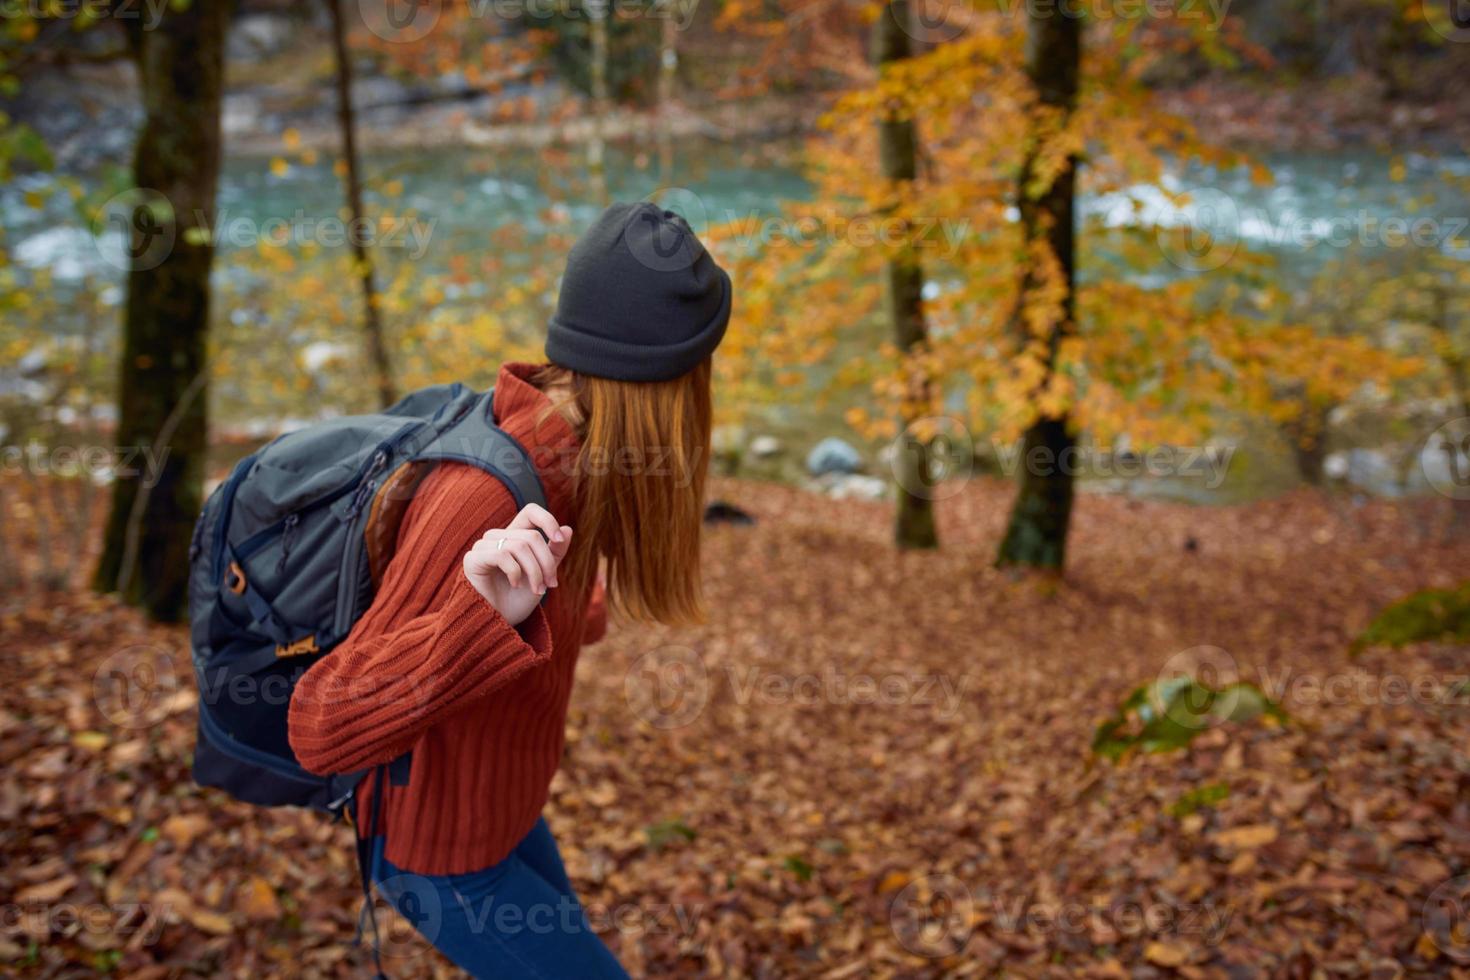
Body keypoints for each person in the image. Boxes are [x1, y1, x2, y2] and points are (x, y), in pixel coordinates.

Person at [286, 201, 731, 978]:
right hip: (440, 853)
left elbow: (558, 621)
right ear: (662, 383)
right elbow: (323, 726)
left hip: (502, 807)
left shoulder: (584, 453)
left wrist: (550, 609)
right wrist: (480, 618)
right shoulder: (482, 496)